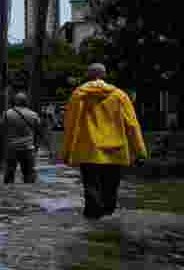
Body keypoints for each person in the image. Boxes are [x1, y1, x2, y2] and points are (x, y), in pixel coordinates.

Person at [61, 63, 147, 219]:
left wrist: (66, 152)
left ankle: (93, 227)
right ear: (104, 75)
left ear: (88, 76)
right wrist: (140, 151)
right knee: (111, 191)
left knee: (91, 189)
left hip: (89, 152)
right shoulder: (120, 95)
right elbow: (132, 125)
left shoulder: (79, 95)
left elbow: (70, 125)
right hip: (116, 151)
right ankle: (109, 226)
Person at [0, 92, 47, 184]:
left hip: (12, 149)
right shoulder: (33, 115)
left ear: (15, 101)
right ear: (26, 102)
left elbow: (1, 134)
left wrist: (0, 156)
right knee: (29, 177)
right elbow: (40, 133)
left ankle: (8, 196)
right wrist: (36, 148)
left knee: (9, 178)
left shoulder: (7, 114)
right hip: (28, 149)